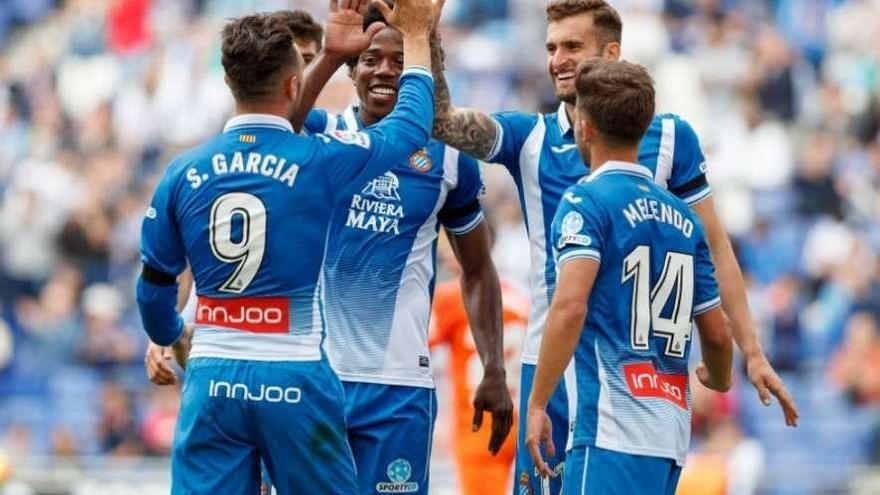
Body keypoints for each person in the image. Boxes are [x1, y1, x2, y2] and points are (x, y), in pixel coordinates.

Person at [429, 0, 798, 491]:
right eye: (551, 47)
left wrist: (751, 349)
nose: (557, 59)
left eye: (572, 46)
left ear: (611, 51)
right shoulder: (530, 137)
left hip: (631, 380)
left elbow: (715, 247)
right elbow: (443, 122)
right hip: (554, 369)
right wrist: (425, 39)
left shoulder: (668, 138)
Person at [135, 0, 437, 492]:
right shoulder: (320, 160)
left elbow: (151, 291)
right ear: (295, 85)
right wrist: (419, 37)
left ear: (230, 82)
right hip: (295, 371)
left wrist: (173, 333)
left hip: (213, 376)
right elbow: (406, 132)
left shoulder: (183, 171)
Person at [288, 2, 513, 493]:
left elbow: (477, 269)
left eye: (399, 60)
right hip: (314, 376)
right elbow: (276, 128)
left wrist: (493, 366)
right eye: (371, 59)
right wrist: (327, 55)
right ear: (354, 68)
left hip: (399, 389)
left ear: (423, 73)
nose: (385, 70)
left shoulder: (451, 160)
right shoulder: (324, 134)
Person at [525, 58, 734, 495]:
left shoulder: (585, 201)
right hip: (671, 438)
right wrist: (720, 377)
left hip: (610, 430)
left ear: (584, 127)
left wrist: (539, 401)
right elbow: (716, 333)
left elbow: (568, 307)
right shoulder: (685, 219)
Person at [144, 8, 327, 386]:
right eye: (299, 62)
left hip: (313, 349)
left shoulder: (330, 143)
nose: (304, 76)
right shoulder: (221, 154)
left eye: (313, 62)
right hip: (232, 346)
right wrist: (170, 330)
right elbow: (194, 254)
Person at [429, 230, 528, 495]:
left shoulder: (451, 298)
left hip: (480, 422)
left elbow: (413, 345)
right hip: (522, 418)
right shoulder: (521, 296)